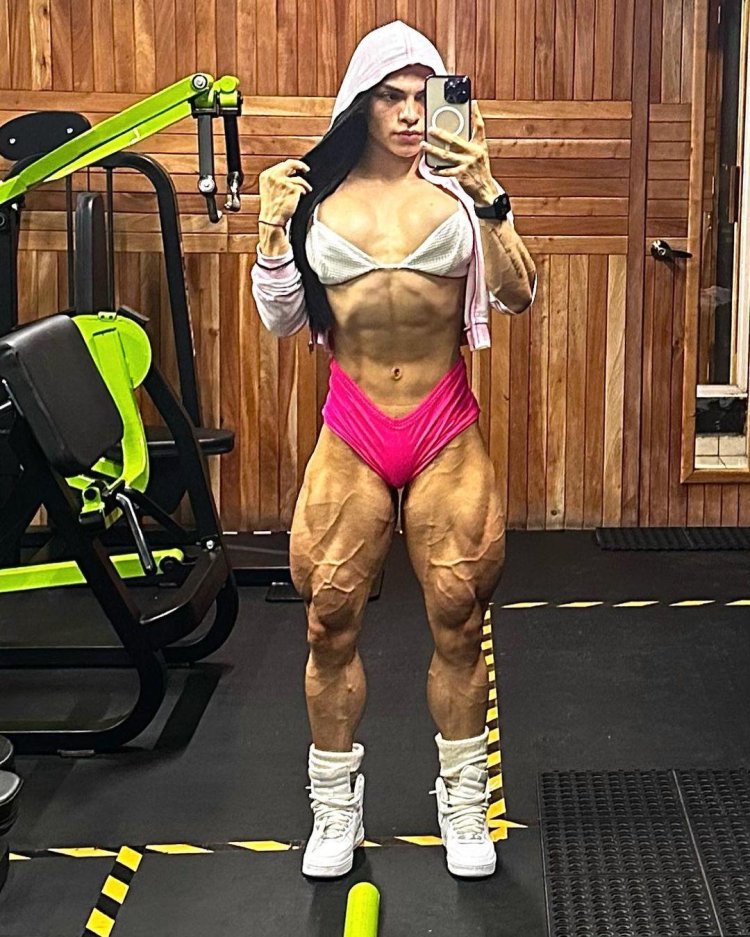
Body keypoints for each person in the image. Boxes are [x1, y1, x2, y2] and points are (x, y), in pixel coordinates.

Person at [250, 20, 536, 879]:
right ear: (361, 105)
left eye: (422, 97)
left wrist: (489, 193)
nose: (411, 114)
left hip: (443, 422)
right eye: (392, 98)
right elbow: (282, 318)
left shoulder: (461, 195)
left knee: (460, 616)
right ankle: (335, 809)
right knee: (328, 620)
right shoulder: (317, 200)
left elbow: (519, 294)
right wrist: (271, 234)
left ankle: (464, 804)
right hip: (354, 424)